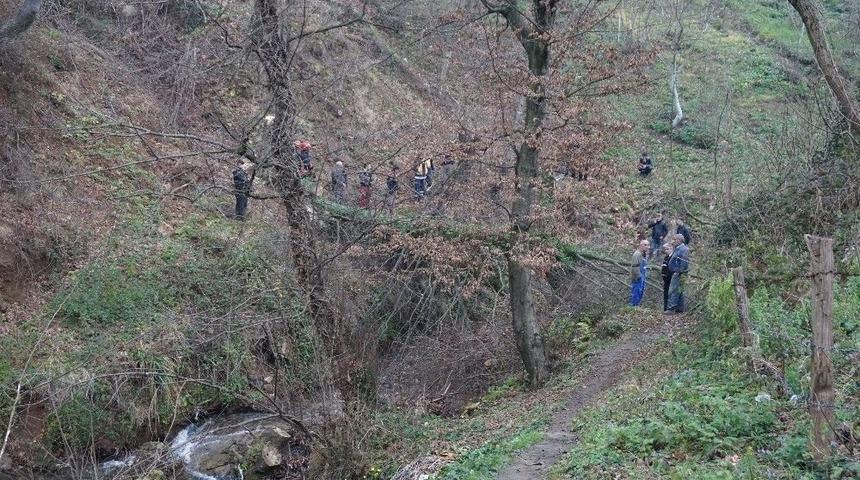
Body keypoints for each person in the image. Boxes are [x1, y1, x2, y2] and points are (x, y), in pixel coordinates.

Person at [666, 234, 690, 314]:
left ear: (679, 240)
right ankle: (679, 308)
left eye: (674, 239)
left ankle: (671, 308)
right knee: (679, 290)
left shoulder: (684, 249)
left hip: (679, 273)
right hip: (677, 272)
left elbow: (684, 262)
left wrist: (679, 271)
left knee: (673, 290)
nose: (673, 241)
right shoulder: (677, 248)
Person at [630, 239, 650, 307]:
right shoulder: (637, 254)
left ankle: (637, 308)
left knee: (640, 293)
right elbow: (635, 266)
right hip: (637, 278)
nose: (647, 247)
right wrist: (639, 277)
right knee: (636, 294)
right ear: (640, 245)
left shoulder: (643, 255)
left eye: (648, 245)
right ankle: (633, 309)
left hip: (642, 277)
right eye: (645, 245)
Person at [660, 242, 674, 312]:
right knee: (665, 294)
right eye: (665, 249)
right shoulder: (666, 257)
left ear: (671, 248)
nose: (666, 251)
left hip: (670, 279)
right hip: (665, 279)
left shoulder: (673, 257)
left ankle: (670, 308)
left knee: (670, 294)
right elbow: (663, 268)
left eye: (667, 249)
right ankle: (665, 309)